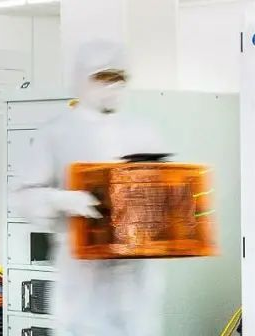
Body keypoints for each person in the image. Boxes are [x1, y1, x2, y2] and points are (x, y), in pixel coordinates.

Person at [15, 40, 165, 336]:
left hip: (136, 284)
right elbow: (23, 196)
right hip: (83, 284)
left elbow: (162, 193)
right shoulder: (57, 133)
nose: (113, 85)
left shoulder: (143, 131)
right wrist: (64, 200)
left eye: (119, 77)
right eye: (104, 77)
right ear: (83, 79)